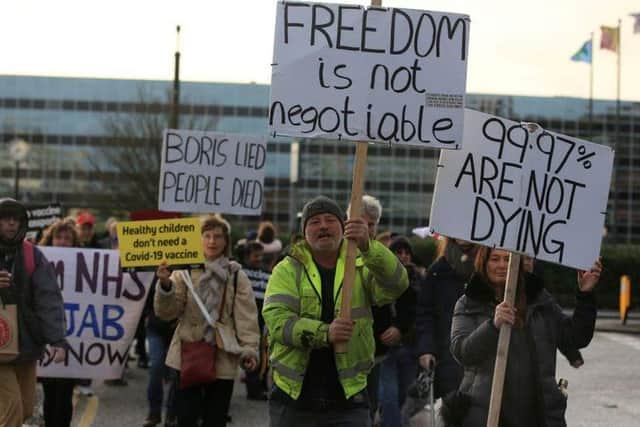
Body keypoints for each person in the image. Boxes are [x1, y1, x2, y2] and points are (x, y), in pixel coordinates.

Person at [263, 195, 409, 427]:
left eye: (330, 220)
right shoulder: (287, 269)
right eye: (314, 221)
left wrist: (369, 247)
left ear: (343, 226)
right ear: (305, 232)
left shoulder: (361, 264)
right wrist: (324, 333)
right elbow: (278, 321)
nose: (322, 226)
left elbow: (397, 284)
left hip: (349, 400)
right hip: (294, 400)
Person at [446, 247, 602, 427]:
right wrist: (493, 326)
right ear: (483, 262)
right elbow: (463, 352)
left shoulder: (539, 299)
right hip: (487, 414)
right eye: (495, 259)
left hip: (538, 416)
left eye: (508, 259)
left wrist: (585, 294)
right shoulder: (468, 303)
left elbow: (575, 337)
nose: (502, 265)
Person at [155, 214, 260, 427]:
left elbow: (246, 317)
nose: (212, 241)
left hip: (222, 355)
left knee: (215, 419)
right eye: (207, 235)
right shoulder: (183, 270)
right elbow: (167, 312)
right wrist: (165, 285)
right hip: (186, 354)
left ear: (226, 241)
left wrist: (250, 349)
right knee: (185, 418)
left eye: (218, 236)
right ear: (199, 238)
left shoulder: (236, 275)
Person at [0, 198, 67, 427]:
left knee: (26, 409)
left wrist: (57, 339)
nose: (11, 223)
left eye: (16, 219)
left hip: (26, 345)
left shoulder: (32, 255)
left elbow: (48, 298)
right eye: (5, 218)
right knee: (12, 411)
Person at [416, 237, 477, 399]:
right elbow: (425, 313)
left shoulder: (489, 269)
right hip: (448, 354)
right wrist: (427, 349)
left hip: (482, 355)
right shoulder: (437, 271)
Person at [36, 219, 82, 427]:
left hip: (72, 338)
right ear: (50, 239)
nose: (63, 242)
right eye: (58, 237)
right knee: (50, 393)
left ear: (74, 242)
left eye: (67, 238)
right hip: (48, 337)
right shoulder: (37, 262)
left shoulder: (82, 263)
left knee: (64, 395)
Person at [377, 236, 421, 427]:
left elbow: (418, 312)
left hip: (408, 348)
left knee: (404, 396)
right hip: (385, 349)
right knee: (389, 397)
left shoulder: (418, 280)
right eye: (398, 252)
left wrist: (401, 329)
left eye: (406, 252)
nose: (403, 256)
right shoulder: (381, 277)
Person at [241, 240, 271, 400]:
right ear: (247, 256)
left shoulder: (267, 272)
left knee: (264, 354)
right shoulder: (242, 272)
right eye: (255, 255)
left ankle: (261, 385)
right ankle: (253, 389)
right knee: (251, 353)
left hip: (262, 318)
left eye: (260, 255)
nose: (258, 258)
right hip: (246, 318)